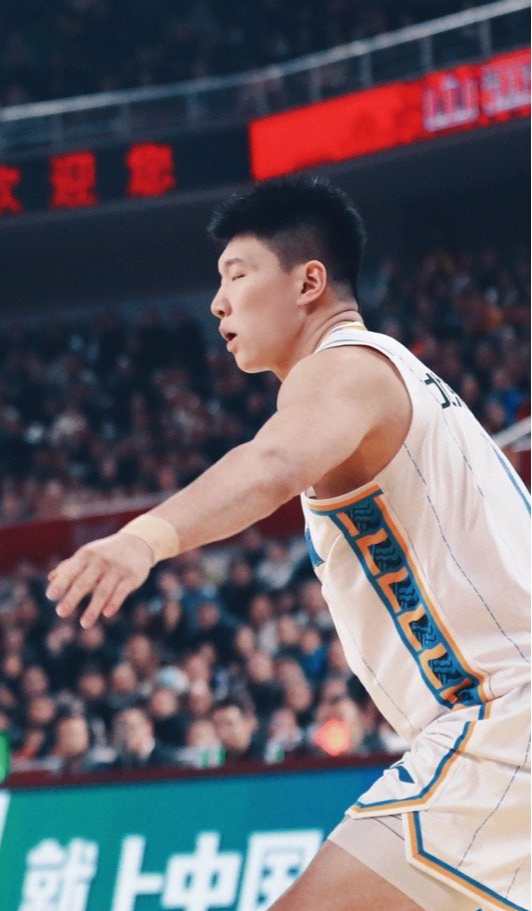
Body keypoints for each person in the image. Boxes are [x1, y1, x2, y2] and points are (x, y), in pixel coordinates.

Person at [48, 176, 529, 911]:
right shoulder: (397, 378)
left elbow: (269, 463)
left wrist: (142, 540)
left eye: (235, 275)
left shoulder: (346, 368)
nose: (217, 302)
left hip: (504, 717)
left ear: (308, 281)